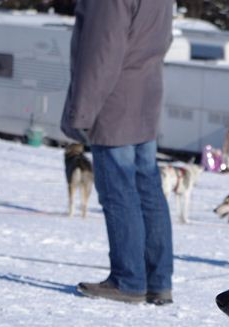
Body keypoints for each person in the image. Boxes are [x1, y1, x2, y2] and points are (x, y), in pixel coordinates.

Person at [61, 0, 174, 305]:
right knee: (148, 189)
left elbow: (101, 54)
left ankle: (128, 281)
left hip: (115, 102)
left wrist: (79, 114)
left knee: (119, 191)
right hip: (146, 96)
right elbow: (164, 39)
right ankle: (157, 281)